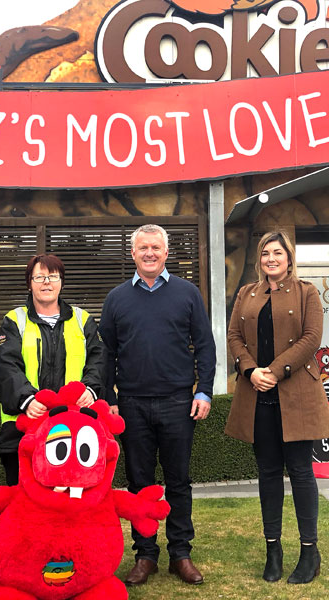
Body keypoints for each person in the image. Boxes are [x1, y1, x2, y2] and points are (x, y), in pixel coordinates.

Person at [99, 224, 216, 587]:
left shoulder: (187, 293)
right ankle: (146, 554)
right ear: (132, 253)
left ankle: (180, 553)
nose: (150, 253)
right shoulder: (116, 298)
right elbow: (106, 354)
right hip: (132, 405)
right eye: (143, 247)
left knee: (179, 482)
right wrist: (110, 399)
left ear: (166, 253)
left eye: (156, 247)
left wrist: (204, 391)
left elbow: (206, 346)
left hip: (179, 403)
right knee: (140, 484)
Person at [224, 230, 329, 585]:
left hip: (296, 395)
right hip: (258, 397)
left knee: (301, 473)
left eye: (278, 253)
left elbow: (311, 339)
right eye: (265, 254)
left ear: (289, 257)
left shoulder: (308, 293)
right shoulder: (247, 293)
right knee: (268, 473)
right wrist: (250, 370)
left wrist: (273, 371)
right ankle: (273, 551)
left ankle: (309, 552)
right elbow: (233, 337)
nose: (271, 259)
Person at [0, 253, 106, 485]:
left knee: (71, 505)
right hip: (24, 424)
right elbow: (4, 365)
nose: (47, 282)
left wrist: (91, 390)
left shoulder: (83, 319)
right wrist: (26, 399)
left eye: (53, 276)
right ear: (29, 283)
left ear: (61, 282)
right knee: (24, 502)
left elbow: (100, 360)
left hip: (74, 423)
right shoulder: (15, 320)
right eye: (39, 277)